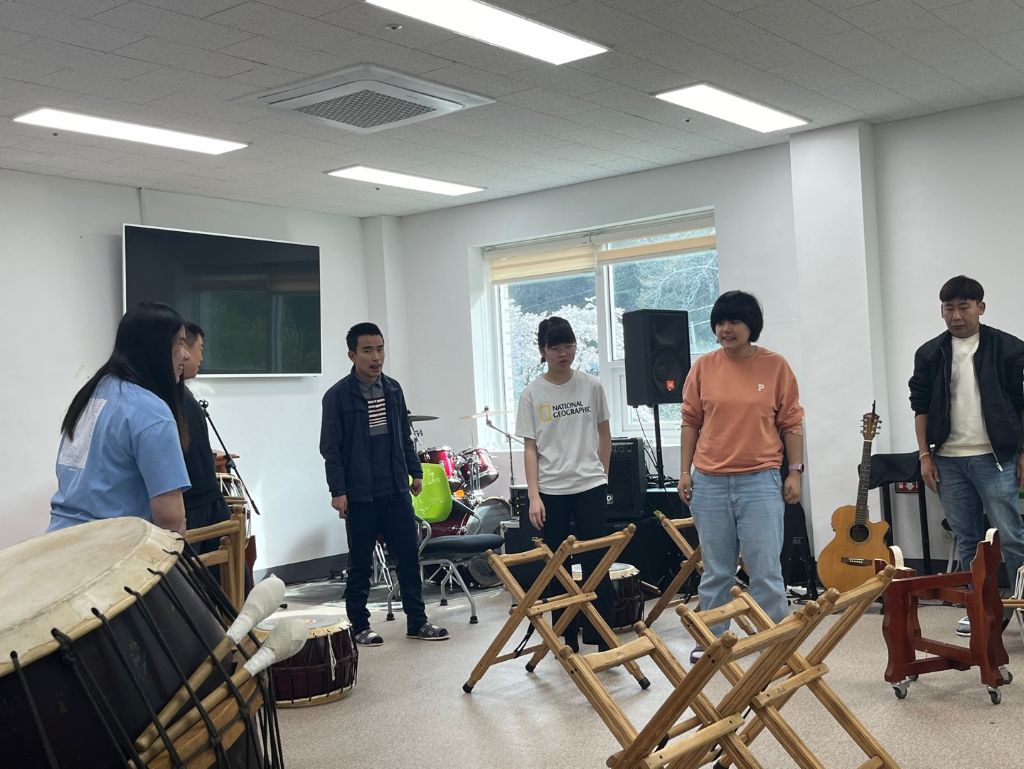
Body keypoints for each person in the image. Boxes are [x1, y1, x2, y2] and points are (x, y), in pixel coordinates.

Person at [678, 291, 804, 662]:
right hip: (709, 482)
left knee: (765, 569)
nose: (725, 329)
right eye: (719, 322)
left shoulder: (775, 366)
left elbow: (792, 423)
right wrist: (684, 472)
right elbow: (690, 422)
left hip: (760, 480)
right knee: (716, 570)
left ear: (751, 325)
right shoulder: (703, 367)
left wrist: (795, 472)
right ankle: (712, 639)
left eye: (734, 321)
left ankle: (775, 640)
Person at [909, 275, 1024, 636]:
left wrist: (1022, 453)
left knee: (1011, 535)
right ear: (941, 311)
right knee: (967, 538)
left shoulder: (1009, 348)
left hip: (995, 457)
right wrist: (924, 456)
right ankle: (981, 606)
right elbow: (920, 406)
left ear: (980, 307)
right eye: (949, 308)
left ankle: (1020, 602)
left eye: (964, 307)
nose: (956, 315)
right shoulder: (930, 353)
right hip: (948, 460)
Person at [320, 323, 448, 645]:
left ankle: (417, 622)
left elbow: (404, 435)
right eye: (368, 350)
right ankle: (360, 625)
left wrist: (416, 471)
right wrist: (338, 491)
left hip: (395, 489)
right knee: (360, 563)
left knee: (408, 558)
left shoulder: (393, 389)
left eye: (380, 349)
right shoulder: (337, 396)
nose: (376, 357)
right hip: (360, 492)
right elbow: (331, 448)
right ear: (352, 355)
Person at [49, 302, 191, 535]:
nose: (186, 355)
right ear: (157, 348)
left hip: (61, 540)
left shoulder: (91, 394)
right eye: (181, 343)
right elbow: (170, 518)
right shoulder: (151, 411)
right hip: (114, 547)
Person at [515, 316, 612, 652]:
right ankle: (566, 635)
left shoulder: (592, 386)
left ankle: (602, 636)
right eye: (555, 347)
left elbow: (604, 433)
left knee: (597, 561)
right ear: (543, 351)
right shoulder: (532, 393)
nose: (563, 353)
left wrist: (603, 475)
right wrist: (533, 496)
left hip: (590, 485)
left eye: (569, 345)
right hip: (551, 490)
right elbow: (530, 448)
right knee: (558, 565)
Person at [180, 322, 230, 552]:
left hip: (205, 497)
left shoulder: (182, 392)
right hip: (192, 503)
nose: (201, 357)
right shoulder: (165, 398)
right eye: (200, 349)